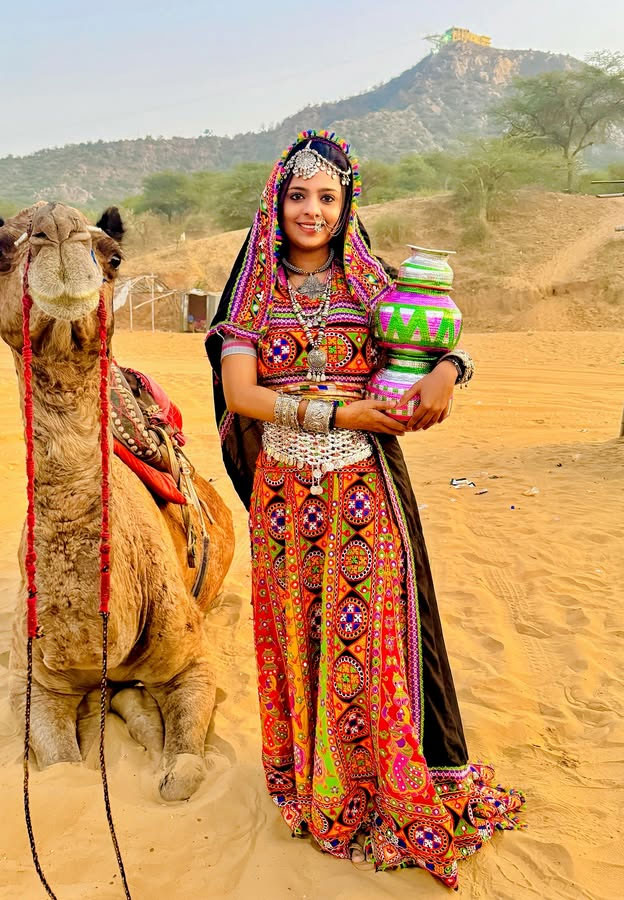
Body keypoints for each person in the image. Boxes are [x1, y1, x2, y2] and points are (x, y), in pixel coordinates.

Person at [205, 131, 524, 890]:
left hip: (362, 494)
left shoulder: (369, 283)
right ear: (274, 204)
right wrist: (340, 416)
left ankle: (385, 783)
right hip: (283, 501)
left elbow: (434, 334)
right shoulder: (253, 290)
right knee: (301, 636)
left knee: (373, 638)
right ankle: (317, 785)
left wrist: (451, 369)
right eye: (297, 196)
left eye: (327, 197)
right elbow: (244, 395)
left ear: (347, 206)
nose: (311, 210)